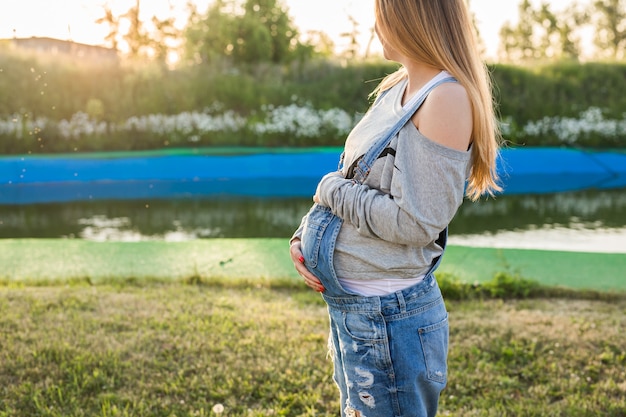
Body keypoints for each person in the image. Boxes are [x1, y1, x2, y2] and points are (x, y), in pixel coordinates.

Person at [289, 0, 501, 416]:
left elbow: (415, 223)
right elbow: (355, 175)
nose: (375, 23)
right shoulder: (396, 88)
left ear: (412, 16)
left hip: (387, 319)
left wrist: (327, 191)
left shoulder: (445, 99)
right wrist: (306, 235)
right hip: (357, 311)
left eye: (383, 11)